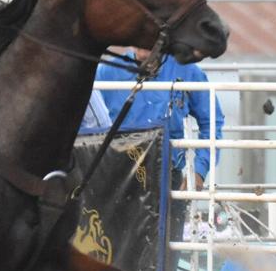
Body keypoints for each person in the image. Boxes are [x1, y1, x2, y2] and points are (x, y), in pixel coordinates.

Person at [96, 47, 225, 190]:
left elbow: (212, 120)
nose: (144, 49)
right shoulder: (106, 72)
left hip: (168, 172)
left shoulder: (187, 71)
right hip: (119, 170)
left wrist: (198, 171)